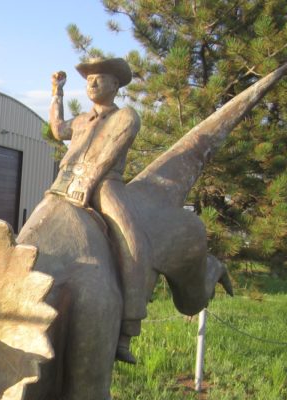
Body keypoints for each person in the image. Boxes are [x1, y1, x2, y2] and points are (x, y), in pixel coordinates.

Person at [48, 58, 231, 364]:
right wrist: (57, 93)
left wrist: (88, 184)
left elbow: (107, 157)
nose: (92, 83)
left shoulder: (126, 118)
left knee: (131, 242)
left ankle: (128, 326)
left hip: (105, 185)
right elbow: (56, 129)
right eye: (89, 79)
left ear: (115, 85)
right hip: (65, 184)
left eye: (100, 78)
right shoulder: (81, 121)